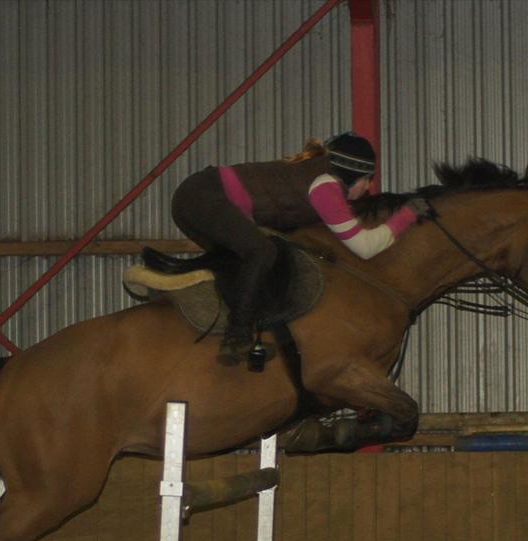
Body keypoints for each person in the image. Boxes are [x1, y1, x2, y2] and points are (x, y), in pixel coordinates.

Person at [170, 132, 428, 366]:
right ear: (352, 175)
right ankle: (237, 336)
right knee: (262, 252)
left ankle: (240, 325)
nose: (369, 188)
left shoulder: (315, 178)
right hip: (203, 196)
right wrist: (406, 216)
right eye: (367, 179)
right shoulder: (325, 187)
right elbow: (365, 247)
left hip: (196, 196)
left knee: (258, 257)